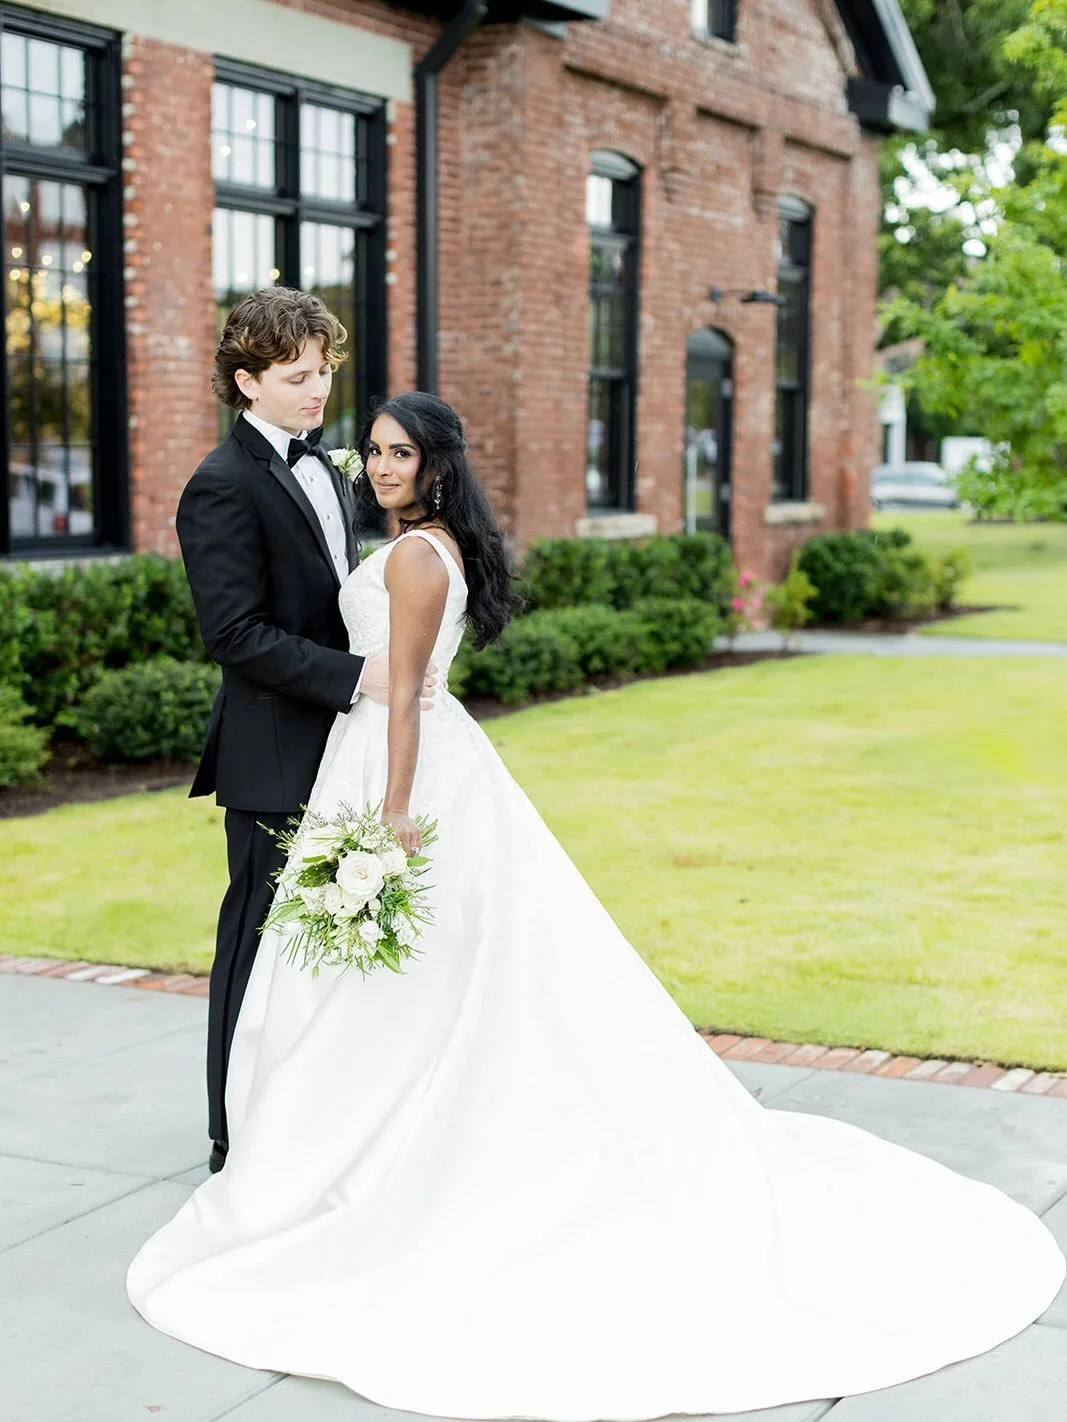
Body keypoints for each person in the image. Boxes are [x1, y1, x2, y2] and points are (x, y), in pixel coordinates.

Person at [130, 391, 1064, 1419]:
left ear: (437, 466)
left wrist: (389, 817)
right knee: (425, 976)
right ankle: (350, 1136)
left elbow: (397, 694)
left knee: (389, 976)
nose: (383, 467)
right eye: (377, 452)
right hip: (412, 760)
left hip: (395, 774)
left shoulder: (407, 558)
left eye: (401, 455)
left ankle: (362, 1154)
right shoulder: (434, 547)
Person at [175, 290, 430, 1176]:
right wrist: (356, 676)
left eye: (324, 371)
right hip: (272, 755)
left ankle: (307, 1115)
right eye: (297, 375)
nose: (319, 389)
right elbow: (232, 634)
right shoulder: (219, 483)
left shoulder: (327, 466)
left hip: (343, 747)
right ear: (246, 381)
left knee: (322, 949)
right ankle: (230, 1133)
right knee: (254, 943)